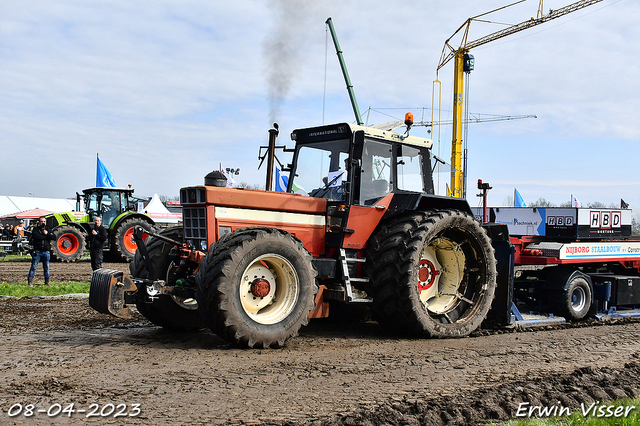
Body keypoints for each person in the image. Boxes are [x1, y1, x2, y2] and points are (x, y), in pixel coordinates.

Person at [27, 216, 56, 287]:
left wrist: (47, 234)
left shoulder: (48, 229)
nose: (43, 223)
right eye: (41, 221)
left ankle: (47, 282)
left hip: (46, 252)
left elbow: (54, 237)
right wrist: (46, 236)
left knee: (46, 267)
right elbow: (37, 237)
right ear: (39, 222)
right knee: (33, 266)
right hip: (37, 252)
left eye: (44, 221)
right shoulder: (35, 230)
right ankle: (30, 282)